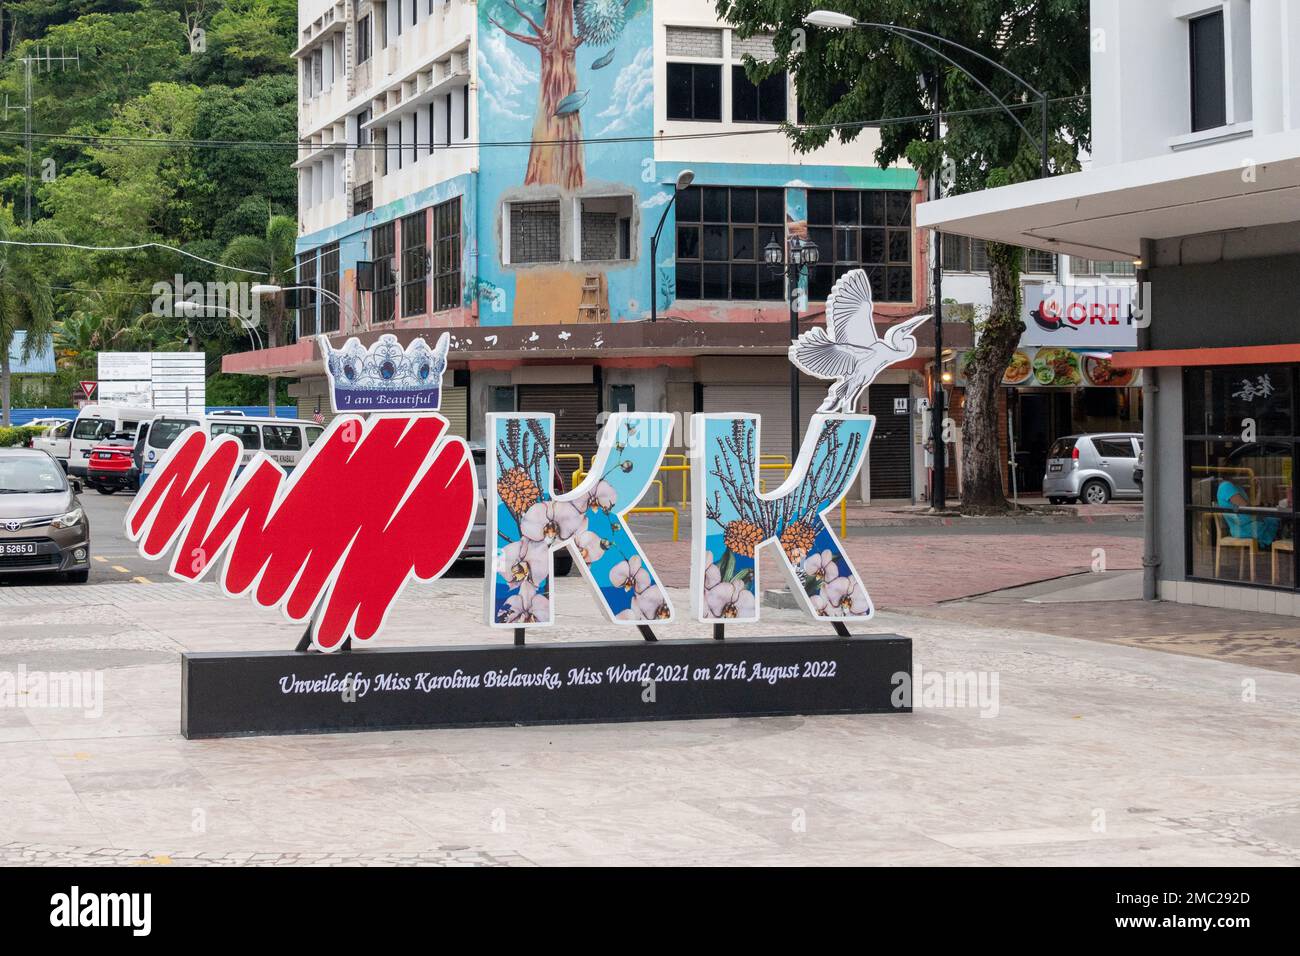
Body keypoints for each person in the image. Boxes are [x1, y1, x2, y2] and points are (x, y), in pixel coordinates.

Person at [1217, 478, 1280, 546]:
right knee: (1274, 521)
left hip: (1249, 523)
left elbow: (1253, 507)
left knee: (1274, 520)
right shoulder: (1226, 486)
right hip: (1242, 528)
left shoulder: (1237, 487)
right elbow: (1246, 508)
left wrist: (1259, 490)